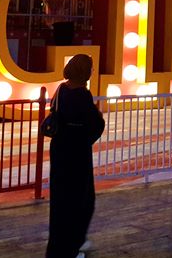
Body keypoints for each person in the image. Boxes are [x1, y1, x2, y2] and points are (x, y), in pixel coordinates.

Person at [46, 54, 105, 258]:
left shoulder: (61, 90)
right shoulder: (82, 95)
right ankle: (72, 247)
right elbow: (94, 124)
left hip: (60, 149)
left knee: (61, 201)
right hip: (77, 152)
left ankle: (57, 247)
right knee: (80, 200)